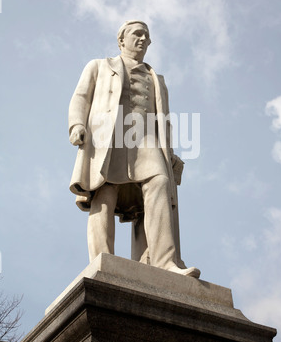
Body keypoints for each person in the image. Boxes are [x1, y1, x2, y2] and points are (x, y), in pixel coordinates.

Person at [68, 20, 200, 277]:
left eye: (146, 36)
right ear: (121, 40)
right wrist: (76, 124)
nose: (142, 39)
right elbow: (81, 97)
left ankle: (163, 262)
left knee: (160, 183)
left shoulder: (156, 79)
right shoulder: (99, 66)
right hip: (109, 134)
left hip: (145, 138)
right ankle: (102, 261)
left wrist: (169, 152)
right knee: (105, 192)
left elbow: (164, 119)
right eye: (136, 34)